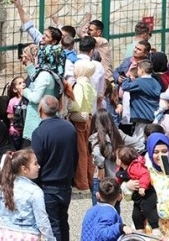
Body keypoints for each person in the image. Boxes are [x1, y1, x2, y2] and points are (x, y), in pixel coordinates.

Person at [30, 95, 77, 241]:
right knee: (63, 222)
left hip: (48, 185)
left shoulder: (40, 132)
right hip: (65, 183)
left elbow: (37, 161)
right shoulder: (69, 128)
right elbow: (76, 156)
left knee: (53, 225)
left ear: (40, 109)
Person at [0, 148, 55, 241]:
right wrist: (50, 238)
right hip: (29, 234)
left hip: (5, 234)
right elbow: (42, 221)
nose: (39, 166)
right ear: (24, 169)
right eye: (35, 163)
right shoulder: (35, 191)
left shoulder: (3, 187)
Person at [89, 109, 143, 209]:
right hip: (117, 178)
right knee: (114, 209)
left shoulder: (96, 137)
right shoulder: (119, 134)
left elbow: (97, 154)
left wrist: (101, 167)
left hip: (101, 179)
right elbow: (140, 146)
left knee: (99, 209)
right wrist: (125, 159)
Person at [115, 146, 160, 236]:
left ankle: (155, 228)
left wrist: (143, 186)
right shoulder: (121, 170)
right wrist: (115, 188)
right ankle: (139, 230)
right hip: (137, 198)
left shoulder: (135, 167)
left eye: (116, 158)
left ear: (120, 161)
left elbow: (145, 174)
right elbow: (118, 179)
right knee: (136, 215)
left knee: (149, 210)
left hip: (147, 194)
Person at [70, 60, 97, 191]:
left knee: (81, 151)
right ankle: (91, 178)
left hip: (80, 120)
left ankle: (82, 182)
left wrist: (68, 107)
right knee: (88, 150)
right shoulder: (89, 83)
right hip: (89, 118)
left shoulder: (79, 85)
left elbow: (76, 105)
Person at [121, 60, 161, 142]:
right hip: (152, 114)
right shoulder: (155, 82)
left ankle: (137, 154)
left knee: (138, 139)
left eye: (138, 69)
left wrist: (128, 78)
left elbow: (125, 87)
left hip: (141, 114)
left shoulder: (139, 82)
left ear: (141, 70)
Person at [5, 76, 26, 148]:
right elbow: (9, 115)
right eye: (20, 83)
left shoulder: (28, 99)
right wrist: (17, 115)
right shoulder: (13, 101)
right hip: (15, 130)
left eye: (24, 82)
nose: (23, 84)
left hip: (26, 129)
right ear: (14, 89)